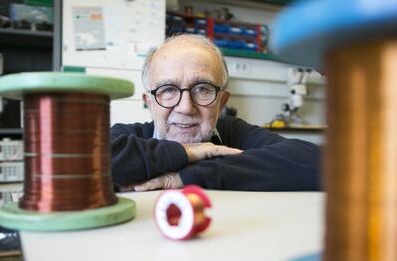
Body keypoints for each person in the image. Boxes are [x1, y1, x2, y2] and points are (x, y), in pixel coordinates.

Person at [111, 34, 320, 192]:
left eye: (202, 89)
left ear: (222, 102)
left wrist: (191, 176)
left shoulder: (234, 133)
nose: (185, 107)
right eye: (168, 90)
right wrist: (190, 152)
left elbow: (317, 162)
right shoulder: (128, 137)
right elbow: (88, 160)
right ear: (149, 103)